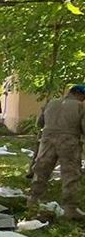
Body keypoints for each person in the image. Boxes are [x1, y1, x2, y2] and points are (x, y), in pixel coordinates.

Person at [27, 85, 85, 220]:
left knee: (41, 170)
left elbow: (39, 123)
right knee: (71, 174)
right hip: (69, 141)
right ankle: (70, 209)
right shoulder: (80, 106)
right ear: (79, 94)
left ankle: (33, 201)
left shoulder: (51, 103)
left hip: (47, 140)